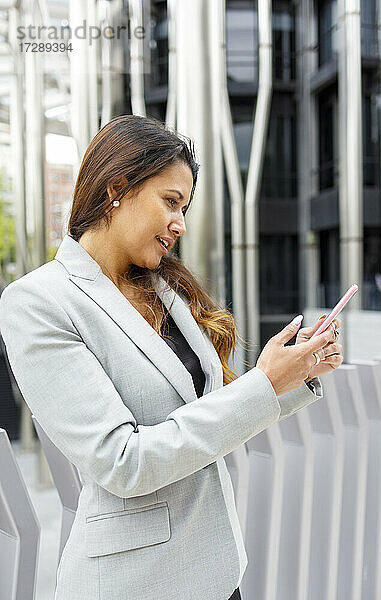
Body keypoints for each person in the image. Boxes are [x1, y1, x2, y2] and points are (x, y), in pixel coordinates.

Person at [0, 115, 343, 600]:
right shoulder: (38, 302)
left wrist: (291, 376)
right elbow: (122, 462)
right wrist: (263, 384)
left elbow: (209, 410)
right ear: (118, 187)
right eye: (171, 202)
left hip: (218, 570)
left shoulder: (162, 288)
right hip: (135, 585)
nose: (180, 224)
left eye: (184, 207)